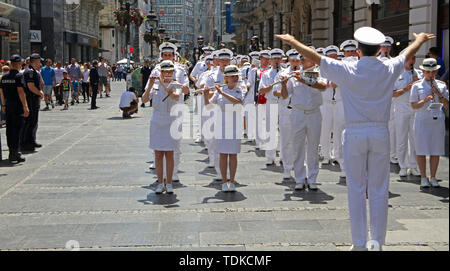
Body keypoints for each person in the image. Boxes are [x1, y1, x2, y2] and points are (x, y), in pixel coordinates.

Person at [275, 27, 435, 251]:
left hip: (355, 132)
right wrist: (418, 40)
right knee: (379, 189)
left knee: (356, 189)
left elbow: (315, 58)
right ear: (380, 49)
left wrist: (292, 40)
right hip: (380, 132)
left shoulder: (347, 68)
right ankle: (377, 242)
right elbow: (407, 53)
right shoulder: (388, 67)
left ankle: (359, 242)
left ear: (358, 50)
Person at [280, 46, 327, 191]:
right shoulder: (295, 75)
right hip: (298, 113)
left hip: (314, 113)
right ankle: (299, 178)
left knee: (313, 148)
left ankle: (312, 178)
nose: (301, 61)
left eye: (304, 58)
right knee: (298, 148)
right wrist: (283, 84)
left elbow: (322, 86)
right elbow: (285, 95)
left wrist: (303, 79)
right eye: (300, 59)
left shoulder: (319, 72)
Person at [142, 60, 183, 194]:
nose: (167, 74)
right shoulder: (154, 84)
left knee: (169, 153)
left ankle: (169, 182)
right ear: (160, 72)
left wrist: (165, 85)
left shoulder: (176, 83)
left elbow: (175, 96)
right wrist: (150, 86)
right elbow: (144, 100)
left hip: (170, 120)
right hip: (157, 120)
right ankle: (160, 183)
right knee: (158, 154)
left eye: (170, 71)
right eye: (165, 71)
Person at [410, 58, 449, 189]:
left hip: (437, 121)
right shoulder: (417, 85)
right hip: (422, 120)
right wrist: (425, 100)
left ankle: (433, 177)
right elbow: (414, 105)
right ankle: (423, 177)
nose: (430, 74)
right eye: (427, 72)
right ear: (423, 71)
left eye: (433, 72)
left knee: (435, 150)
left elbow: (447, 105)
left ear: (436, 71)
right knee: (421, 150)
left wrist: (440, 95)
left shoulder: (442, 85)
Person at [204, 65, 243, 192]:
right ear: (226, 77)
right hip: (221, 123)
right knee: (222, 154)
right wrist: (205, 96)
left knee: (232, 154)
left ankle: (232, 181)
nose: (235, 78)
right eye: (233, 76)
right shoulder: (220, 90)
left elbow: (237, 101)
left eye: (236, 76)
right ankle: (223, 181)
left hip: (234, 123)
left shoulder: (238, 89)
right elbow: (209, 107)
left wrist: (222, 93)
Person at [272, 49, 301, 179]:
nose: (295, 62)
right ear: (288, 60)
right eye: (293, 60)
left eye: (297, 60)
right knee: (286, 140)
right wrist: (285, 88)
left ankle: (300, 167)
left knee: (301, 141)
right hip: (286, 109)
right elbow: (275, 92)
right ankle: (287, 168)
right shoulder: (281, 74)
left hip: (301, 110)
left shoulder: (306, 73)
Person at [392, 50, 422, 177]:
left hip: (415, 109)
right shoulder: (396, 74)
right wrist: (406, 89)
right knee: (401, 139)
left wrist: (418, 83)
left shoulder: (419, 73)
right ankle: (403, 165)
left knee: (415, 139)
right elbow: (392, 93)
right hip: (401, 109)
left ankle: (413, 165)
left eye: (414, 58)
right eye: (410, 58)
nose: (412, 61)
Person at [0, 55, 29, 162]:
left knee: (9, 129)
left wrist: (3, 105)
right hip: (17, 106)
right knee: (17, 129)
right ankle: (15, 152)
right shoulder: (18, 76)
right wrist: (25, 107)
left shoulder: (4, 77)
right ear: (18, 64)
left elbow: (2, 92)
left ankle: (11, 151)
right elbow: (21, 92)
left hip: (8, 106)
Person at [258, 48, 285, 166]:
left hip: (284, 102)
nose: (276, 61)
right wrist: (271, 86)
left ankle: (284, 156)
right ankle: (270, 156)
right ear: (270, 60)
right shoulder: (266, 74)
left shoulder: (286, 72)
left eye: (278, 58)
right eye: (274, 59)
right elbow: (261, 90)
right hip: (272, 102)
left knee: (285, 130)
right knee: (271, 130)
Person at [21, 53, 44, 152]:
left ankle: (32, 140)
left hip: (34, 99)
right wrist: (40, 93)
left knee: (33, 121)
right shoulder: (29, 71)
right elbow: (30, 86)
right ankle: (26, 143)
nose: (40, 63)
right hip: (30, 99)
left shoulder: (34, 71)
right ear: (35, 61)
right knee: (29, 121)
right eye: (39, 61)